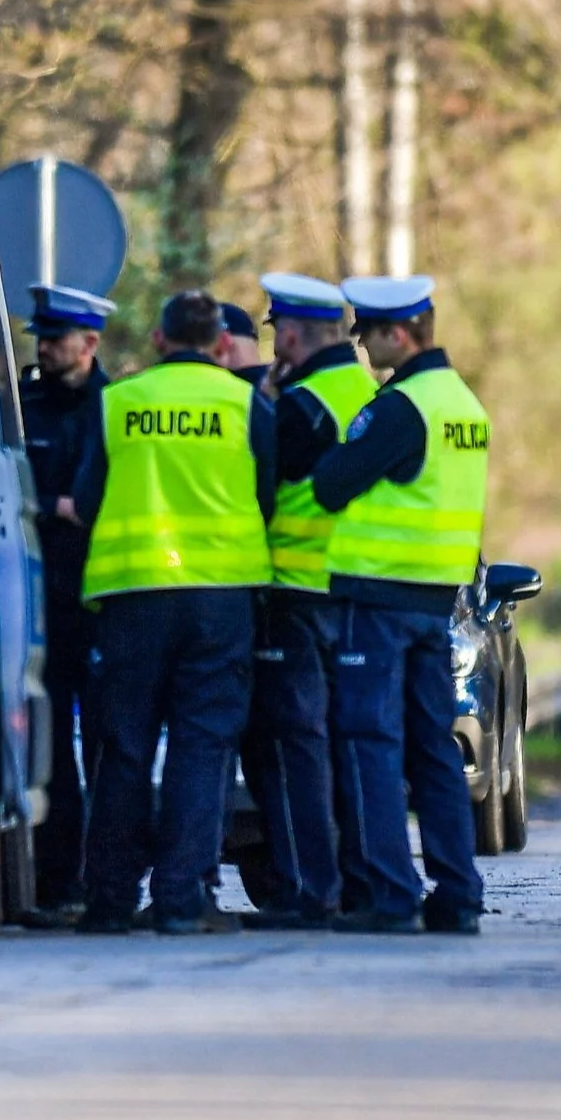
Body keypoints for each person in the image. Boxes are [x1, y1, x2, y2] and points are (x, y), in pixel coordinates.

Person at [66, 291, 275, 934]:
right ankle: (183, 898)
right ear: (219, 345)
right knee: (202, 746)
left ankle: (107, 900)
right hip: (220, 599)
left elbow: (85, 498)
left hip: (133, 598)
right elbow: (269, 495)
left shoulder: (118, 403)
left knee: (123, 747)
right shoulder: (248, 407)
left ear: (157, 340)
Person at [309, 275, 490, 935]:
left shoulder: (401, 407)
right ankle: (458, 892)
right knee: (433, 749)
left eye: (369, 334)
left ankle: (391, 895)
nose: (363, 346)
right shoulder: (463, 403)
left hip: (376, 599)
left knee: (369, 744)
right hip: (434, 602)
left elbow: (331, 486)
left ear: (399, 332)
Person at [238, 273, 375, 929]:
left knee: (297, 748)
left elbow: (257, 491)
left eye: (276, 333)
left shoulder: (298, 404)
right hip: (355, 593)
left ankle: (309, 889)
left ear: (291, 333)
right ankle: (361, 883)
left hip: (295, 595)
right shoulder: (370, 393)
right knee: (355, 745)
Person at [13, 283, 114, 926]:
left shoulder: (116, 408)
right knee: (48, 751)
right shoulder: (22, 407)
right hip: (40, 602)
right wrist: (57, 508)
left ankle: (107, 880)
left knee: (110, 747)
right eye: (41, 339)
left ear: (90, 343)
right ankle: (58, 883)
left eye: (56, 339)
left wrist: (69, 508)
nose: (44, 349)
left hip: (102, 601)